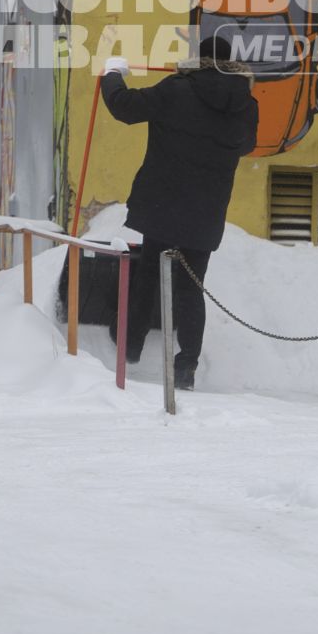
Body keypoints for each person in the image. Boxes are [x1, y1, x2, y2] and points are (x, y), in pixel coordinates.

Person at [100, 34, 258, 390]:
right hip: (206, 210)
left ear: (197, 58)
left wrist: (112, 74)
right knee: (191, 288)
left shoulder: (176, 89)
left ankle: (131, 350)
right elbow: (246, 144)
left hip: (163, 202)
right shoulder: (245, 104)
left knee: (147, 276)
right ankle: (186, 367)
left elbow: (124, 107)